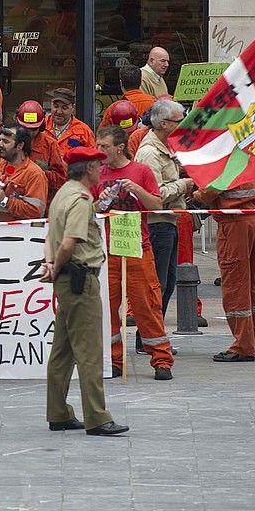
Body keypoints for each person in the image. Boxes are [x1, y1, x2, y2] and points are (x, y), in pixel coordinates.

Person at [41, 146, 128, 436]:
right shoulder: (79, 198)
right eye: (97, 165)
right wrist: (58, 265)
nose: (101, 170)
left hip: (66, 280)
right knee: (89, 351)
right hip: (80, 279)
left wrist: (51, 265)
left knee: (62, 351)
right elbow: (69, 242)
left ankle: (58, 412)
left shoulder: (62, 195)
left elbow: (50, 236)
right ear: (88, 168)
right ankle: (97, 416)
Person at [95, 125, 173, 380]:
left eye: (104, 146)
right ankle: (114, 359)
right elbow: (89, 209)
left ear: (119, 147)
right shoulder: (97, 173)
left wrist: (136, 189)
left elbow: (157, 205)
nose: (99, 151)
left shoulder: (141, 171)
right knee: (108, 307)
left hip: (138, 248)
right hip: (109, 250)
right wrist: (101, 200)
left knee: (146, 305)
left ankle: (161, 358)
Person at [133, 98, 196, 317]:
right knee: (157, 283)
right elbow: (155, 195)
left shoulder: (164, 148)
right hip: (157, 225)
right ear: (163, 124)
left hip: (169, 222)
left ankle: (154, 334)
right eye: (179, 121)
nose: (182, 125)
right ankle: (148, 337)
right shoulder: (150, 153)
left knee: (167, 282)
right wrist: (183, 184)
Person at [198, 178, 255, 362]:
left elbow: (209, 192)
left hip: (235, 223)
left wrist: (195, 193)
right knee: (252, 283)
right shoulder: (249, 156)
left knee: (236, 284)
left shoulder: (227, 159)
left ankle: (243, 345)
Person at [14, 100, 67, 200]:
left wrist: (40, 172)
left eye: (33, 129)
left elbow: (60, 180)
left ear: (41, 126)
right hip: (14, 200)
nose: (29, 133)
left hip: (41, 200)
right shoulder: (9, 141)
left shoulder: (50, 145)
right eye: (25, 128)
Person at [46, 88, 96, 153]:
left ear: (73, 108)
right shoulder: (41, 127)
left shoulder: (84, 131)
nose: (59, 111)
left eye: (64, 108)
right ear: (51, 105)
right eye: (56, 106)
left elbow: (93, 159)